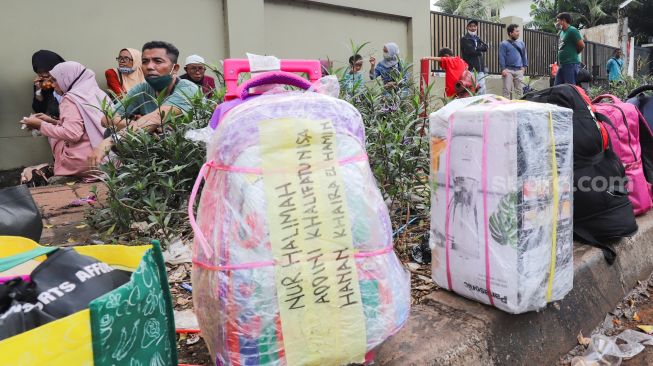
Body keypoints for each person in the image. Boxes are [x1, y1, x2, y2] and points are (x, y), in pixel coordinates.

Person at [88, 41, 199, 167]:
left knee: (163, 134)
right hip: (156, 148)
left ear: (175, 69)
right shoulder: (142, 89)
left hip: (190, 152)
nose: (149, 66)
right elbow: (106, 119)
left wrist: (113, 140)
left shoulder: (188, 89)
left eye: (158, 61)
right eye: (145, 61)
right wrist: (136, 125)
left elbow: (158, 117)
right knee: (112, 131)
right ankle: (144, 173)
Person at [21, 61, 108, 182]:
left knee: (55, 138)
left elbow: (72, 134)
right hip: (107, 158)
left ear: (67, 78)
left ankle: (65, 170)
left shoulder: (70, 99)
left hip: (86, 162)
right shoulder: (97, 92)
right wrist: (51, 121)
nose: (52, 85)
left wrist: (40, 125)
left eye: (55, 80)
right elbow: (84, 128)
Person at [32, 50, 65, 119]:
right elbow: (39, 110)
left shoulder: (67, 79)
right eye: (40, 72)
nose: (44, 75)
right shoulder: (41, 82)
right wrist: (38, 90)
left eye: (47, 71)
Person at [554, 12, 585, 86]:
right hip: (562, 64)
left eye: (558, 21)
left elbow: (582, 45)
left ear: (563, 20)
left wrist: (574, 53)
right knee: (557, 87)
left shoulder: (572, 30)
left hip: (571, 64)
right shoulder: (562, 32)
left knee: (570, 88)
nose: (557, 23)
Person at [499, 24, 528, 99]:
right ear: (510, 33)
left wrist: (524, 67)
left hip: (519, 70)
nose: (518, 33)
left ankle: (519, 108)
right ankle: (506, 109)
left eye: (518, 31)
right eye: (516, 31)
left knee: (519, 91)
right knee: (506, 90)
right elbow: (502, 57)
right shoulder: (504, 44)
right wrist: (503, 69)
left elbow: (524, 55)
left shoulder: (521, 43)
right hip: (508, 70)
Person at [461, 20, 488, 94]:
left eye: (474, 26)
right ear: (467, 27)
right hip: (471, 69)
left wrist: (476, 47)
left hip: (480, 68)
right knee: (472, 89)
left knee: (482, 89)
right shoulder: (464, 39)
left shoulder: (477, 38)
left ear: (477, 27)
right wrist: (478, 49)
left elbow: (485, 47)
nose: (473, 28)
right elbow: (471, 51)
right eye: (470, 26)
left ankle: (481, 105)